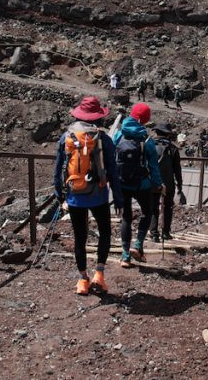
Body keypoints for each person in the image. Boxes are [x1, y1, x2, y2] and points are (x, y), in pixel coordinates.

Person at [53, 96, 122, 295]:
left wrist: (60, 194)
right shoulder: (104, 139)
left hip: (74, 196)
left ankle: (83, 279)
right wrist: (118, 197)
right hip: (98, 195)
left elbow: (58, 169)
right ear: (98, 116)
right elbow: (113, 171)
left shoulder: (66, 137)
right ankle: (99, 274)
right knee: (105, 233)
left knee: (80, 237)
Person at [112, 103, 163, 268]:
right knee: (147, 213)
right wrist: (158, 184)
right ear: (145, 119)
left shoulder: (119, 135)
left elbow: (111, 156)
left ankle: (125, 256)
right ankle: (138, 245)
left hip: (122, 183)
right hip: (142, 185)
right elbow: (154, 166)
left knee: (126, 218)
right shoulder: (146, 140)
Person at [149, 122, 184, 242]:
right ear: (168, 134)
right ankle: (166, 232)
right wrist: (180, 185)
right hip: (168, 183)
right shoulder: (172, 148)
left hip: (152, 182)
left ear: (157, 132)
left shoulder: (150, 145)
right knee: (167, 207)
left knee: (153, 207)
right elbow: (177, 170)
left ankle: (153, 233)